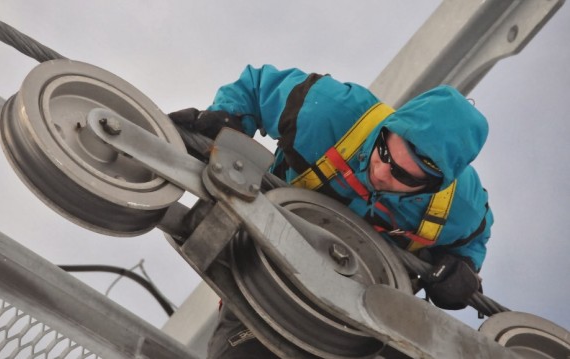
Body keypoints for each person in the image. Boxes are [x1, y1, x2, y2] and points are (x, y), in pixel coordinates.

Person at [168, 64, 493, 358]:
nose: (382, 172)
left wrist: (462, 268)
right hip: (269, 276)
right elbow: (255, 88)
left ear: (431, 186)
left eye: (403, 176)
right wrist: (228, 117)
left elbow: (472, 240)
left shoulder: (459, 207)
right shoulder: (329, 111)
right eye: (384, 152)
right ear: (388, 128)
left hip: (361, 321)